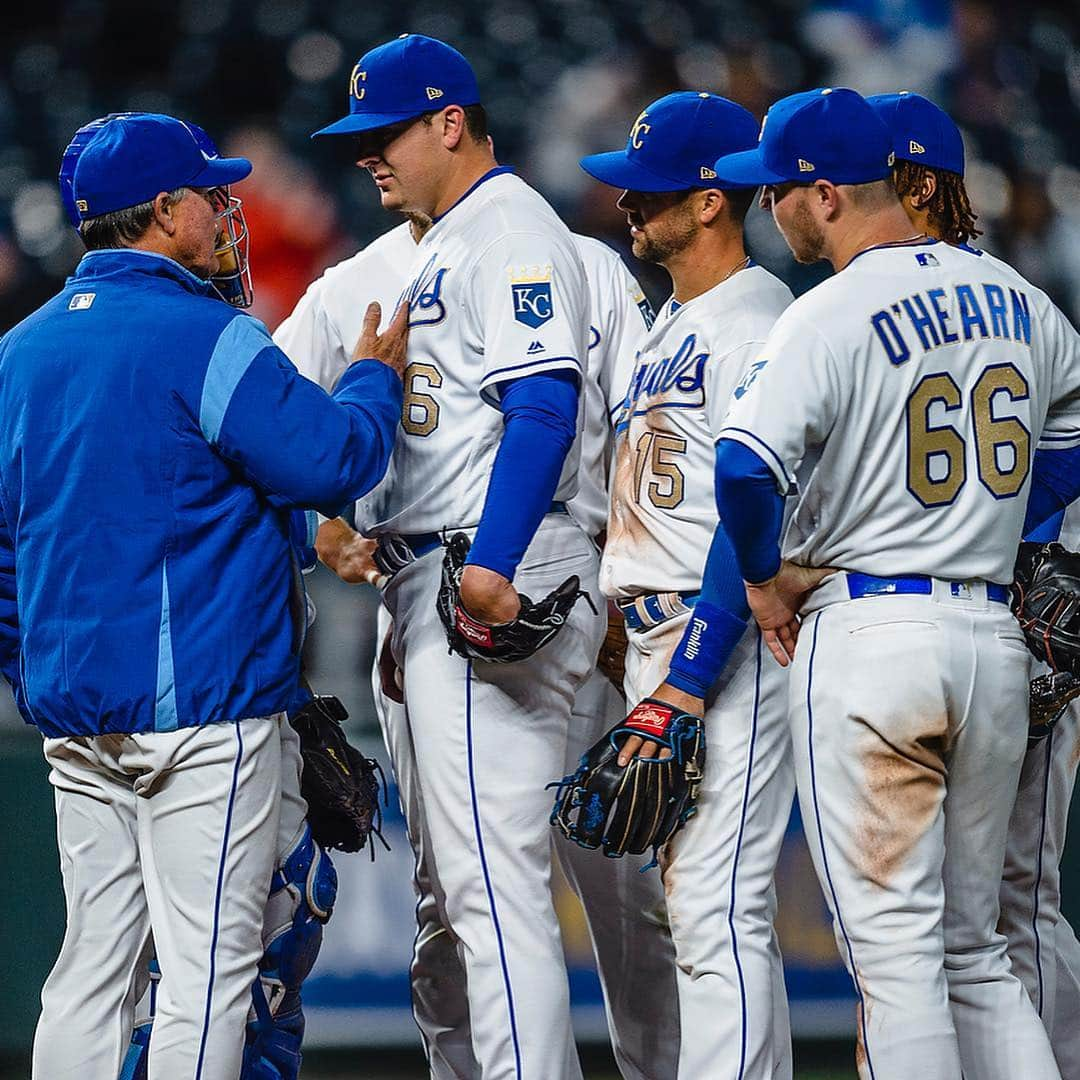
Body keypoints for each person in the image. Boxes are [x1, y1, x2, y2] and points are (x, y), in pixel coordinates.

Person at [0, 111, 406, 1080]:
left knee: (90, 973)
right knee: (207, 979)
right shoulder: (206, 335)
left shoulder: (18, 353)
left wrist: (36, 673)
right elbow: (331, 460)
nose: (226, 209)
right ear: (164, 211)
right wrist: (370, 385)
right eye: (209, 195)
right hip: (203, 720)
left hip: (74, 719)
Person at [711, 86, 1071, 1079]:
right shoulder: (1018, 298)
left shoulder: (827, 313)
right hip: (990, 640)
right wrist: (990, 524)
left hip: (871, 638)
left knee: (900, 964)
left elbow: (741, 467)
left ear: (826, 195)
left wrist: (761, 579)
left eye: (778, 191)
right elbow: (1073, 439)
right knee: (979, 955)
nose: (768, 209)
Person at [275, 206, 680, 1079]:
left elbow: (649, 434)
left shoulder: (577, 262)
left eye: (391, 136)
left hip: (559, 579)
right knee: (454, 898)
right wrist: (320, 525)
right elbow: (262, 431)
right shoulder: (352, 284)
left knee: (618, 889)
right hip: (423, 585)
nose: (376, 163)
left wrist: (624, 589)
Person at [311, 34, 604, 1078]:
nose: (365, 158)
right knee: (486, 884)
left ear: (450, 122)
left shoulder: (509, 229)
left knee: (493, 885)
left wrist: (491, 562)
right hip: (450, 565)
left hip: (488, 570)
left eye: (383, 134)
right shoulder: (450, 235)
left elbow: (542, 408)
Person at [574, 90, 796, 1079]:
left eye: (649, 191)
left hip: (728, 645)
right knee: (693, 902)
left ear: (712, 199)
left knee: (719, 902)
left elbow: (754, 512)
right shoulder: (672, 321)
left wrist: (691, 677)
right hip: (655, 637)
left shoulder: (760, 319)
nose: (629, 206)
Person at [868, 89, 1080, 1079]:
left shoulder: (875, 311)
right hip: (1001, 624)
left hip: (1013, 628)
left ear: (909, 183)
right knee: (973, 917)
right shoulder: (1021, 302)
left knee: (1000, 907)